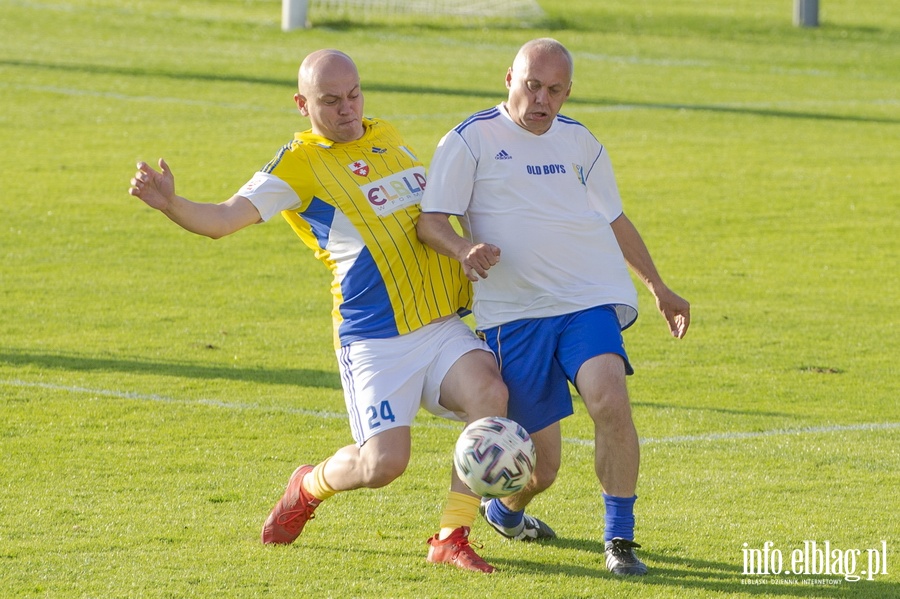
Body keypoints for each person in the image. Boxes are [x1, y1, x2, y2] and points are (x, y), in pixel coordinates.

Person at [127, 49, 509, 574]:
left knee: (489, 393)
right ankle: (307, 486)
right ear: (301, 102)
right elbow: (222, 219)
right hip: (375, 340)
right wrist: (172, 203)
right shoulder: (297, 164)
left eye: (354, 95)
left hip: (441, 325)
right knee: (382, 465)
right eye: (330, 101)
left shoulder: (389, 136)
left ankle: (451, 534)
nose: (347, 109)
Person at [416, 38, 691, 576]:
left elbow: (614, 218)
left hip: (586, 300)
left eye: (555, 90)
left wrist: (659, 286)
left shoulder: (580, 142)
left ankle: (620, 539)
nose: (541, 99)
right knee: (540, 470)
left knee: (609, 399)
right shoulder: (468, 141)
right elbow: (432, 221)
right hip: (513, 317)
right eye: (532, 85)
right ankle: (505, 510)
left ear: (568, 92)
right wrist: (463, 250)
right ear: (509, 79)